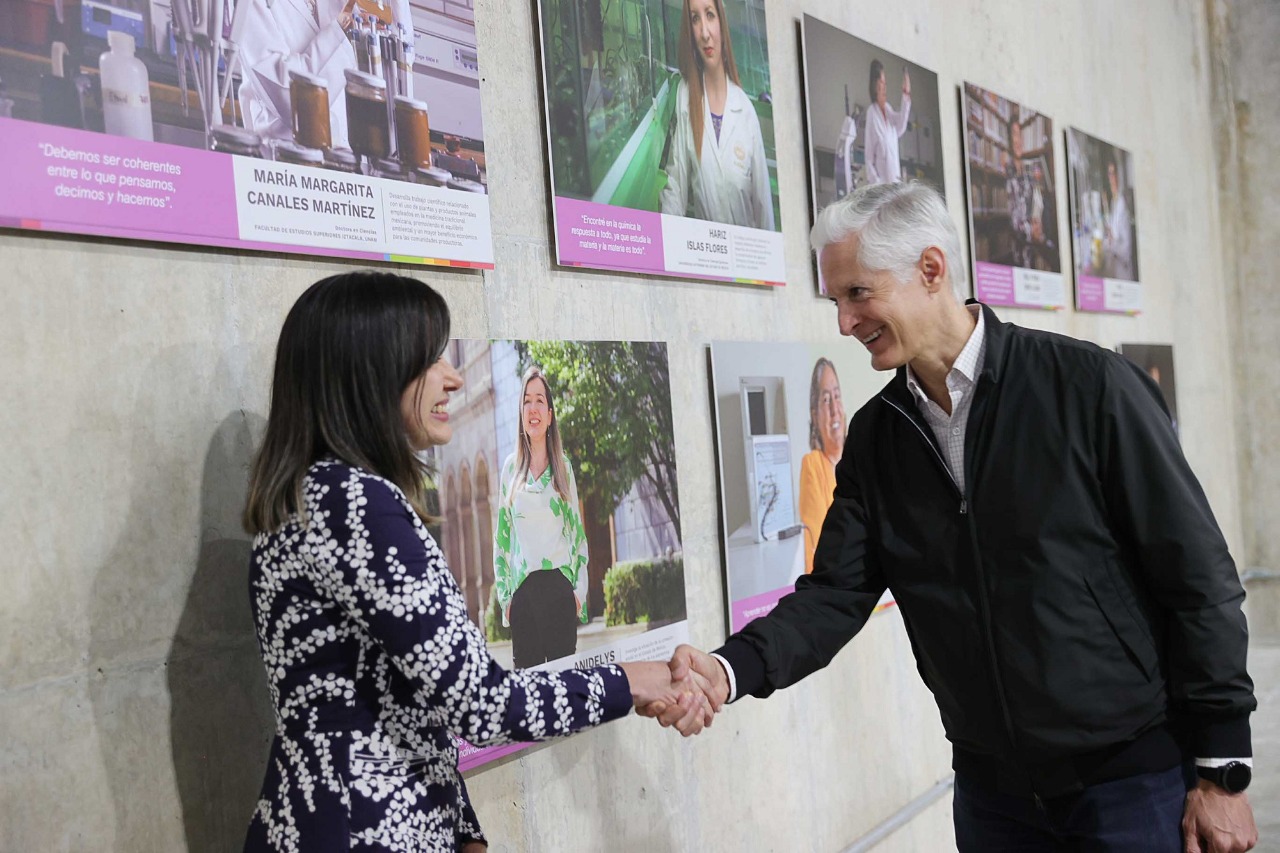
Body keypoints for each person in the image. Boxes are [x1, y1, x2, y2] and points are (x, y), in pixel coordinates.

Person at [653, 183, 1259, 852]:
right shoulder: (877, 438)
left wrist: (1222, 769)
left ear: (931, 269)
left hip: (1130, 787)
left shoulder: (1091, 389)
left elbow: (1199, 578)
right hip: (992, 801)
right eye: (836, 300)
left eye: (858, 293)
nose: (844, 323)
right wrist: (729, 667)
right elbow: (833, 596)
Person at [240, 272, 713, 851]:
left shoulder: (307, 495)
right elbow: (484, 703)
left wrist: (462, 826)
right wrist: (631, 678)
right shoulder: (355, 503)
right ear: (369, 373)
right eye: (428, 361)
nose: (454, 377)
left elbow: (401, 695)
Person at [493, 366, 589, 668]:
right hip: (523, 600)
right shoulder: (510, 469)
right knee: (530, 700)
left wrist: (578, 593)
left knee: (563, 694)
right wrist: (507, 600)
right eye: (526, 401)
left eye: (539, 401)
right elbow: (501, 541)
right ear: (521, 411)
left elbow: (577, 535)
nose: (532, 408)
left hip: (560, 595)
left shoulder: (564, 468)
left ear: (549, 414)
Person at [236, 0, 413, 150]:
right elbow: (293, 100)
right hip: (286, 168)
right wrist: (338, 31)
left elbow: (403, 56)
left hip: (347, 166)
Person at [659, 0, 774, 230]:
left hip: (747, 256)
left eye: (710, 15)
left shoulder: (745, 111)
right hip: (707, 257)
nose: (704, 33)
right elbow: (675, 188)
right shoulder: (686, 96)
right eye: (695, 19)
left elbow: (764, 209)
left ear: (722, 21)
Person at [798, 357, 845, 574]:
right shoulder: (813, 465)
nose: (835, 409)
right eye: (826, 400)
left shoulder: (860, 457)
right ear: (814, 415)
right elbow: (818, 544)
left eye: (837, 396)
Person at [861, 59, 911, 185]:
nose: (884, 87)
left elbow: (900, 127)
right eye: (881, 83)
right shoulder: (872, 113)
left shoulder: (888, 108)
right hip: (881, 187)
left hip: (895, 181)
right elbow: (869, 158)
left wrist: (905, 94)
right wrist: (877, 183)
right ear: (874, 86)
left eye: (885, 83)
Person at [1005, 117, 1046, 269]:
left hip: (1032, 253)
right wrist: (1032, 231)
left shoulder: (1027, 172)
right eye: (1014, 134)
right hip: (1018, 257)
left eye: (1020, 135)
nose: (1018, 140)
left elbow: (1036, 203)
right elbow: (1013, 219)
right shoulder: (1007, 173)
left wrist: (1038, 225)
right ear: (1009, 140)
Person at [1104, 154, 1136, 280]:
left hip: (1124, 271)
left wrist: (1111, 244)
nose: (1113, 178)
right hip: (1116, 267)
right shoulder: (1114, 202)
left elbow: (1126, 250)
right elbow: (1112, 234)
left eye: (1114, 173)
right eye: (1110, 174)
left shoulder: (1123, 204)